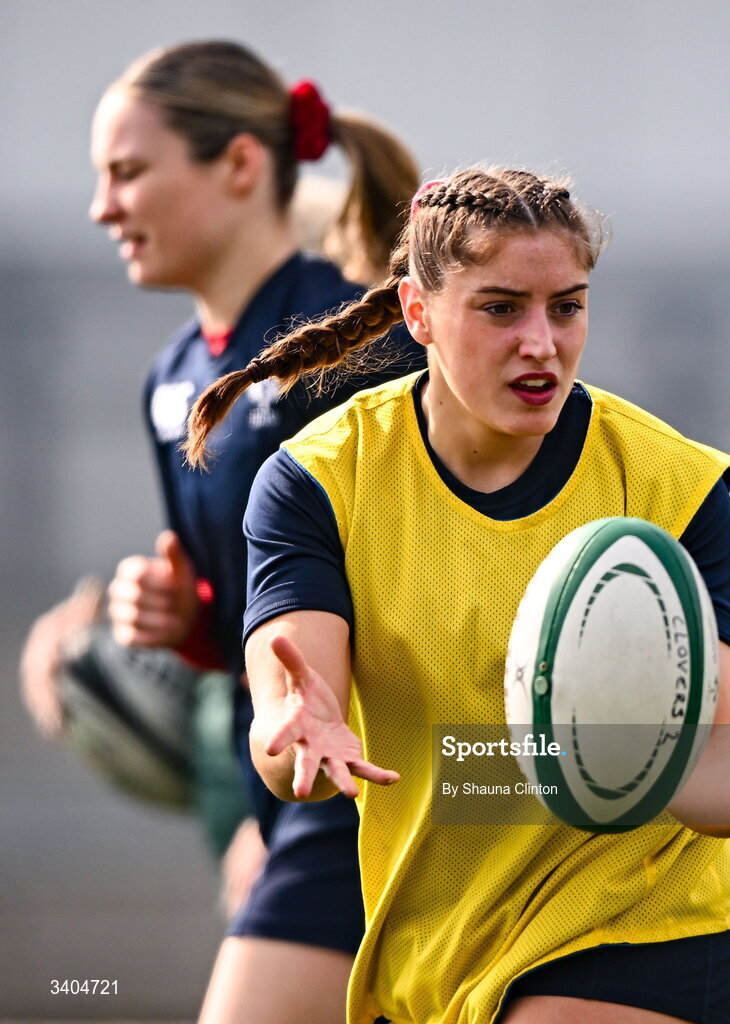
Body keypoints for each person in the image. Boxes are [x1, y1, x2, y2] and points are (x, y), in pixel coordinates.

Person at [186, 167, 730, 1024]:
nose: (541, 341)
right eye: (501, 308)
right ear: (417, 313)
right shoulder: (319, 481)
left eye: (566, 307)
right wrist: (293, 736)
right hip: (435, 950)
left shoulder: (668, 483)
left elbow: (697, 748)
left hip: (637, 925)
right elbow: (289, 734)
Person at [25, 38, 425, 1024]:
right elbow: (262, 627)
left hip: (404, 801)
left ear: (241, 165)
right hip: (304, 801)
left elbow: (419, 585)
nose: (102, 207)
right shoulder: (171, 378)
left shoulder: (352, 341)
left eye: (127, 172)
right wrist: (184, 620)